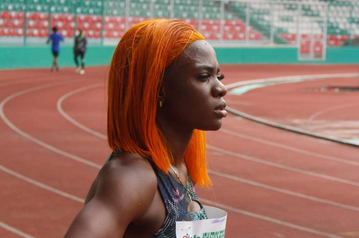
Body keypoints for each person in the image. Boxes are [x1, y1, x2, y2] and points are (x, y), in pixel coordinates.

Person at [64, 19, 227, 238]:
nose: (221, 88)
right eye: (204, 77)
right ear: (159, 89)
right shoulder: (132, 177)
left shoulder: (178, 168)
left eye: (219, 76)